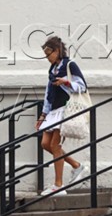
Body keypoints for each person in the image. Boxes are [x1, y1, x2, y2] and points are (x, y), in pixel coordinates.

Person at [37, 35, 86, 192]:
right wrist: (43, 115)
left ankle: (58, 185)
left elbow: (82, 86)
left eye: (49, 54)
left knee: (55, 145)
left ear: (57, 51)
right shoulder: (52, 70)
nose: (47, 58)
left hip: (66, 109)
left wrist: (65, 82)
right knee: (45, 144)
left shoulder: (70, 65)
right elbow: (48, 93)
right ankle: (76, 165)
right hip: (53, 111)